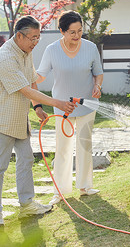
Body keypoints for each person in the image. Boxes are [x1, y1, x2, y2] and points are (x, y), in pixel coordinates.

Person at [0, 15, 75, 227]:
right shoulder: (5, 56)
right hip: (2, 119)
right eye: (32, 38)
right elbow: (23, 89)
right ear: (19, 36)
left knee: (26, 160)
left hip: (19, 119)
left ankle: (27, 204)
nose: (36, 43)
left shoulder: (26, 52)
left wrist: (38, 107)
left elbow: (31, 80)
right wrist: (57, 103)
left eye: (38, 38)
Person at [36, 10, 103, 205]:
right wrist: (28, 78)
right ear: (62, 31)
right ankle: (60, 191)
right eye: (72, 32)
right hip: (62, 107)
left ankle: (85, 186)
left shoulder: (90, 48)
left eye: (80, 31)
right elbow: (40, 75)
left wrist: (97, 86)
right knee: (63, 148)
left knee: (84, 144)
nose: (76, 36)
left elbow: (98, 73)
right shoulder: (51, 50)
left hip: (87, 104)